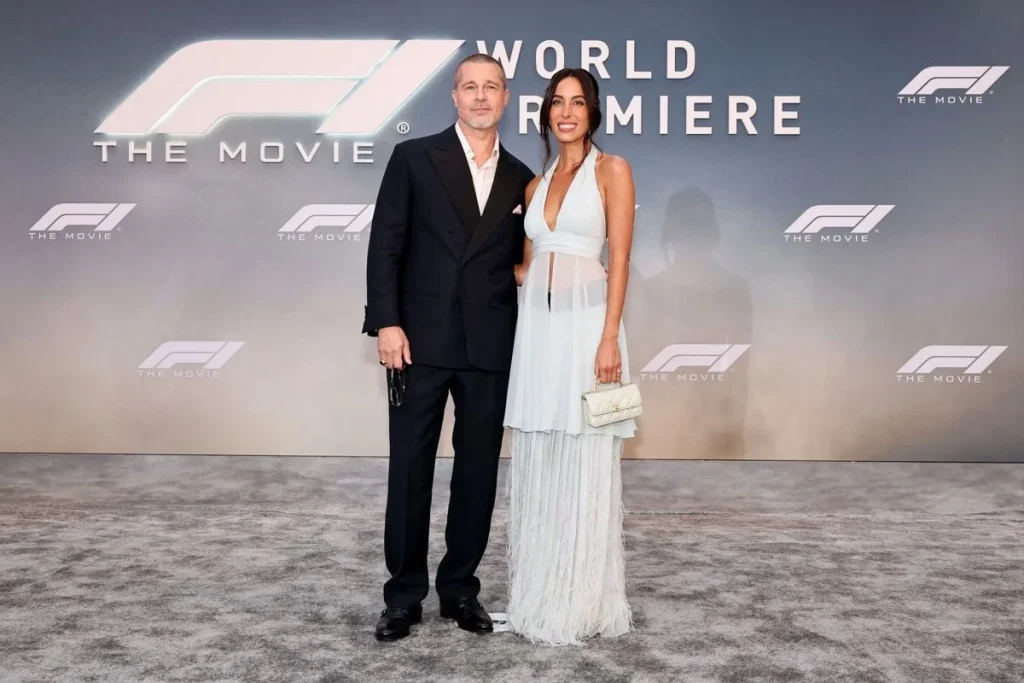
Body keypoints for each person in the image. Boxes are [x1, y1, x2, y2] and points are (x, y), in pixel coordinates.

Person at [362, 53, 534, 642]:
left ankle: (460, 589)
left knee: (478, 473)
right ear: (454, 97)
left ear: (506, 98)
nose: (481, 96)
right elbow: (386, 244)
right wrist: (387, 322)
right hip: (420, 341)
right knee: (410, 468)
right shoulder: (414, 157)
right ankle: (403, 595)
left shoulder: (521, 177)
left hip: (490, 344)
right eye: (470, 87)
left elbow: (521, 261)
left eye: (492, 87)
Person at [502, 67, 638, 646]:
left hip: (588, 330)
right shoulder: (534, 187)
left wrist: (608, 338)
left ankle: (581, 601)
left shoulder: (613, 170)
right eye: (557, 102)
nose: (566, 112)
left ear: (593, 112)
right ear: (545, 114)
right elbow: (527, 267)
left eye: (577, 102)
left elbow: (621, 258)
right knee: (541, 453)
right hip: (539, 332)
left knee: (584, 457)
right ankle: (540, 592)